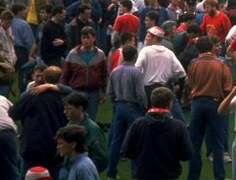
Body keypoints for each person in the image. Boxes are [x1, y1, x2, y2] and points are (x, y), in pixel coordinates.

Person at [187, 36, 233, 180]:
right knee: (218, 144)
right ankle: (219, 176)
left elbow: (190, 83)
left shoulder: (193, 64)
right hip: (216, 104)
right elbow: (228, 88)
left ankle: (193, 176)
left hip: (197, 103)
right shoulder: (221, 65)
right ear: (212, 47)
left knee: (195, 143)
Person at [121, 87, 193, 180]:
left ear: (152, 102)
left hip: (143, 174)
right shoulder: (178, 127)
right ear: (169, 104)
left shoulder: (138, 124)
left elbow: (127, 150)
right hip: (169, 174)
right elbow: (187, 154)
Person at [10, 66, 68, 177]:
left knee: (28, 175)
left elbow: (14, 113)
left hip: (33, 145)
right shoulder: (66, 97)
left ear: (44, 77)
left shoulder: (32, 96)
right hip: (56, 145)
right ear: (61, 79)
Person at [106, 44, 147, 180]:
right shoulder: (136, 73)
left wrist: (116, 101)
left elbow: (110, 93)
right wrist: (144, 107)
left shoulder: (115, 71)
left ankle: (111, 173)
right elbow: (141, 94)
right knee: (135, 141)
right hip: (133, 108)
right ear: (135, 56)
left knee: (116, 141)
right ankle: (135, 174)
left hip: (119, 106)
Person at [135, 26, 186, 117]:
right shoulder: (168, 52)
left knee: (149, 117)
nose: (146, 38)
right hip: (165, 88)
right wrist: (168, 76)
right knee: (166, 115)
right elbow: (181, 72)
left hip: (149, 90)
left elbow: (137, 68)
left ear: (155, 38)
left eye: (148, 36)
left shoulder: (145, 50)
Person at [60, 27, 107, 120]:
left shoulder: (100, 54)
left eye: (88, 38)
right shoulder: (73, 54)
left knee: (91, 118)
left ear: (94, 38)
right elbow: (65, 74)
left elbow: (104, 74)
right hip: (76, 91)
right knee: (76, 118)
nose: (85, 40)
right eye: (83, 38)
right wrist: (64, 92)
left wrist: (103, 92)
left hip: (93, 92)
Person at [62, 92, 108, 174]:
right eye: (64, 108)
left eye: (69, 109)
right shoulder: (69, 125)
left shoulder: (93, 129)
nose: (65, 112)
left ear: (80, 108)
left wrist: (86, 170)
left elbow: (102, 159)